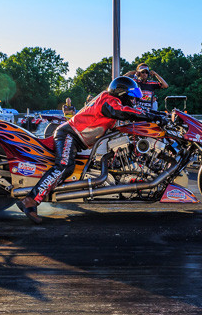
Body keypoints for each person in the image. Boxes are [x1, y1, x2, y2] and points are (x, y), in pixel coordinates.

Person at [17, 76, 160, 224]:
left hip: (77, 139)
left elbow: (128, 113)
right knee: (65, 166)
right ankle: (30, 200)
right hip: (69, 134)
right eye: (131, 97)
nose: (133, 101)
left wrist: (159, 115)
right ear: (122, 94)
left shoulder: (111, 102)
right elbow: (122, 111)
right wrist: (150, 116)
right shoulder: (108, 100)